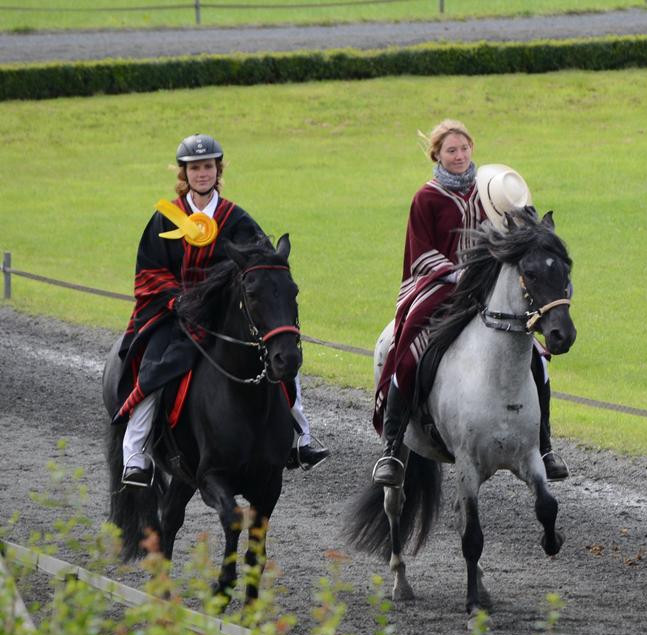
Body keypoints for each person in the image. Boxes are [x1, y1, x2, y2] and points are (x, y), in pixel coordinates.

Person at [114, 134, 330, 487]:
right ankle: (135, 453)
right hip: (176, 316)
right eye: (195, 168)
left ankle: (302, 438)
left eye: (208, 167)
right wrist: (177, 300)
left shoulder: (236, 218)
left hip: (225, 318)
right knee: (153, 370)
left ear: (218, 170)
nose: (202, 174)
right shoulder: (165, 218)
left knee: (284, 360)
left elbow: (262, 265)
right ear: (185, 173)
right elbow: (149, 271)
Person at [372, 119, 569, 488]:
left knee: (537, 359)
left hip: (489, 290)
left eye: (464, 149)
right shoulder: (425, 198)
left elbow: (520, 231)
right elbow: (420, 253)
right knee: (409, 349)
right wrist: (456, 272)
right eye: (451, 151)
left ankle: (544, 445)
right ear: (437, 155)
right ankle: (393, 446)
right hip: (437, 288)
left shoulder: (492, 191)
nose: (459, 156)